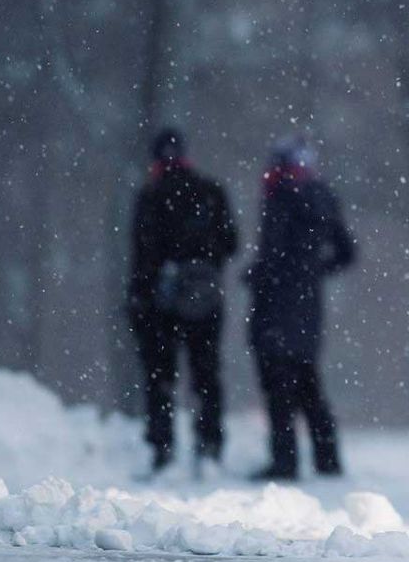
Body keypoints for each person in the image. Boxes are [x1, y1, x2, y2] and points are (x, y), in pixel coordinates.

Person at [127, 128, 238, 477]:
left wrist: (140, 300)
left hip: (160, 305)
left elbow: (142, 255)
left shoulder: (150, 196)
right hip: (205, 300)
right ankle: (210, 446)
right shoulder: (210, 191)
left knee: (160, 377)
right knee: (206, 375)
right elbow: (231, 243)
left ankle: (163, 449)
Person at [245, 135, 356, 480]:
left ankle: (285, 461)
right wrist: (312, 272)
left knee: (278, 384)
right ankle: (328, 459)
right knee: (308, 382)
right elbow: (347, 253)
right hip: (308, 305)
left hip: (277, 304)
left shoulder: (280, 196)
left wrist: (259, 276)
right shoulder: (323, 198)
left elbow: (272, 252)